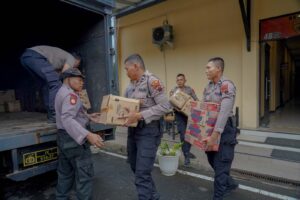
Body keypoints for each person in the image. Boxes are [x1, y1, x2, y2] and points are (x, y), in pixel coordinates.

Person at [122, 54, 171, 200]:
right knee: (135, 166)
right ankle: (153, 196)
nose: (126, 72)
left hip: (148, 131)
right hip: (133, 130)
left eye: (127, 68)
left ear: (136, 66)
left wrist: (140, 115)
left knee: (142, 174)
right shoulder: (131, 85)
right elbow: (125, 104)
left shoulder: (153, 81)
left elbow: (166, 106)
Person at [55, 68, 104, 200]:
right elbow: (67, 118)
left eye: (82, 80)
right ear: (68, 79)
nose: (82, 83)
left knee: (65, 175)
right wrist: (88, 135)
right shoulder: (71, 96)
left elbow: (73, 115)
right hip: (74, 141)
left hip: (63, 138)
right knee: (84, 177)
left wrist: (88, 116)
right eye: (79, 79)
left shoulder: (61, 92)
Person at [201, 57, 238, 199]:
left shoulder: (227, 85)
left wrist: (215, 136)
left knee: (221, 165)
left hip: (224, 129)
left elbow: (223, 112)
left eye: (208, 68)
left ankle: (218, 195)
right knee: (212, 160)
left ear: (218, 69)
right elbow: (205, 108)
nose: (206, 71)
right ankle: (229, 183)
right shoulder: (208, 87)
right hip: (210, 127)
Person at [20, 45, 81, 123]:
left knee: (47, 85)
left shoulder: (58, 60)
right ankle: (54, 113)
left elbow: (57, 74)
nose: (75, 68)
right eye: (77, 65)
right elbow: (64, 74)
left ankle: (50, 114)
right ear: (77, 60)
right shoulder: (71, 58)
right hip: (35, 56)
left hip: (26, 58)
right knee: (55, 83)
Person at [169, 73, 199, 166]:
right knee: (182, 135)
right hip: (179, 115)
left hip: (189, 115)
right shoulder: (173, 90)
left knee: (190, 135)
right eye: (177, 80)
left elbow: (196, 100)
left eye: (181, 79)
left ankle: (187, 151)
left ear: (185, 80)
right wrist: (175, 106)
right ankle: (186, 156)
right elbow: (170, 103)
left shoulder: (189, 89)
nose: (179, 81)